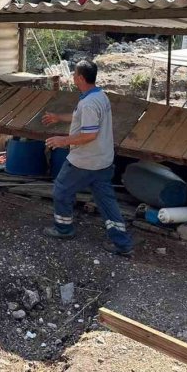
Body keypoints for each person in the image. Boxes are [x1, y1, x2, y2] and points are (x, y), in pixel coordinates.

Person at [41, 59, 136, 256]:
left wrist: (62, 140)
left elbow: (89, 134)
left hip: (85, 160)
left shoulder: (89, 104)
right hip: (103, 159)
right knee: (105, 200)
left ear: (81, 78)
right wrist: (59, 117)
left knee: (61, 190)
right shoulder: (99, 96)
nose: (73, 77)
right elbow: (82, 118)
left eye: (75, 74)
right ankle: (122, 242)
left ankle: (63, 228)